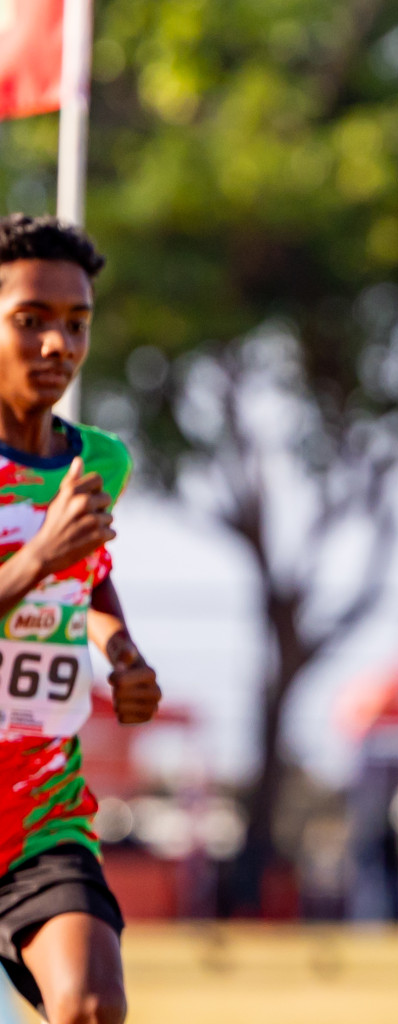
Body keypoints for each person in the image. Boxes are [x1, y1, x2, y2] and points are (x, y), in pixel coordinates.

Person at [0, 214, 160, 1024]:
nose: (58, 344)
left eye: (76, 323)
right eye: (30, 320)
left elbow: (90, 578)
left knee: (92, 1005)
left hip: (38, 814)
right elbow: (52, 563)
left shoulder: (97, 462)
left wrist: (122, 652)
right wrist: (36, 556)